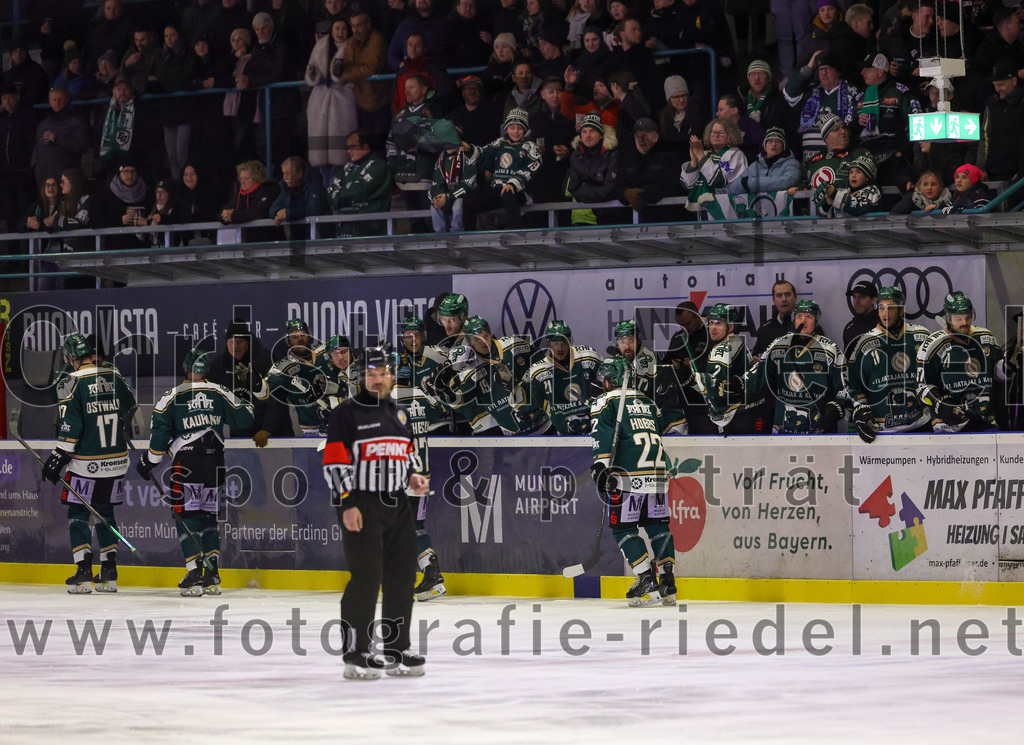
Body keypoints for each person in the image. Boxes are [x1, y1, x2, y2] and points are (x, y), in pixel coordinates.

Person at [322, 346, 429, 679]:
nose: (377, 379)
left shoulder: (399, 413)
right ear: (362, 377)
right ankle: (356, 652)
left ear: (392, 376)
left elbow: (406, 452)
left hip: (398, 504)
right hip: (362, 504)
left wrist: (413, 475)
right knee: (366, 579)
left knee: (402, 578)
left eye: (383, 373)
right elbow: (334, 461)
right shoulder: (346, 414)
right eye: (371, 374)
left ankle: (398, 648)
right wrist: (347, 502)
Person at [138, 349, 254, 596]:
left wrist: (148, 462)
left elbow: (158, 435)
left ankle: (195, 573)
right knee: (208, 517)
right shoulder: (219, 390)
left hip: (187, 462)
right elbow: (245, 417)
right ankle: (211, 575)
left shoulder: (172, 395)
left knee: (185, 515)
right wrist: (243, 394)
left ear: (185, 368)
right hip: (215, 462)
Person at [43, 333, 136, 593]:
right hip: (117, 461)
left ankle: (83, 572)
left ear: (70, 358)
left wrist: (57, 457)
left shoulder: (71, 381)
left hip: (86, 463)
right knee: (105, 512)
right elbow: (130, 403)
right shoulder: (114, 375)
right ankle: (109, 572)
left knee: (78, 512)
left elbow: (72, 425)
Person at [589, 356, 676, 607]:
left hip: (628, 479)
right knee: (658, 528)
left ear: (608, 380)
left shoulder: (604, 402)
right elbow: (654, 430)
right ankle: (667, 580)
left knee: (624, 529)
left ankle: (646, 578)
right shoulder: (648, 402)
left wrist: (600, 470)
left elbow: (602, 440)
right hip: (658, 475)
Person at [393, 317, 448, 601]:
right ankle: (431, 574)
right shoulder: (424, 399)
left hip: (402, 475)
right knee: (413, 526)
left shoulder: (388, 402)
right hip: (421, 474)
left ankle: (419, 575)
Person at [743, 300, 846, 434]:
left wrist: (834, 408)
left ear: (816, 321)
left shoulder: (829, 349)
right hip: (782, 428)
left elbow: (845, 387)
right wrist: (735, 385)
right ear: (794, 319)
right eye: (799, 316)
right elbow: (755, 378)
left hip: (817, 430)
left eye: (809, 317)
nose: (803, 321)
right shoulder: (778, 345)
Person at [845, 285, 932, 442]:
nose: (885, 313)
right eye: (881, 308)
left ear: (901, 310)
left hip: (922, 425)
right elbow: (851, 382)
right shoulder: (865, 342)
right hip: (882, 431)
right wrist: (860, 409)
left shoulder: (921, 336)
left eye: (890, 308)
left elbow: (935, 376)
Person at [433, 316, 548, 435]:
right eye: (477, 339)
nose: (483, 341)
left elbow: (543, 364)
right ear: (469, 342)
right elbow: (460, 404)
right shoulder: (470, 371)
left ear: (490, 333)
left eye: (485, 336)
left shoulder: (512, 345)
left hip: (544, 425)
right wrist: (447, 390)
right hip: (512, 438)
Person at [918, 292, 1000, 433]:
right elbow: (921, 386)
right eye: (958, 319)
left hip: (985, 421)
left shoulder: (985, 337)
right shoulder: (932, 345)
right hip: (948, 426)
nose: (964, 323)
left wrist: (1009, 366)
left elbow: (999, 374)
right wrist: (940, 404)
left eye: (967, 317)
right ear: (948, 319)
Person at [252, 318, 329, 444]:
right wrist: (255, 384)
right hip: (311, 435)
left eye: (303, 334)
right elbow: (264, 392)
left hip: (339, 427)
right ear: (288, 342)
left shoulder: (326, 352)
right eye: (294, 336)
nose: (300, 339)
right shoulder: (282, 368)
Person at [464, 108, 541, 230]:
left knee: (507, 193)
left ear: (525, 130)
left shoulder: (530, 147)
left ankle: (514, 229)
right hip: (497, 189)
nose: (515, 131)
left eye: (519, 128)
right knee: (470, 199)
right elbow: (483, 154)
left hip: (518, 191)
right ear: (506, 129)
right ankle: (468, 235)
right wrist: (469, 149)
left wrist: (513, 183)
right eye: (512, 127)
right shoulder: (499, 143)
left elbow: (532, 167)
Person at [521, 320, 602, 435]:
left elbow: (609, 382)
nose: (560, 348)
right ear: (548, 344)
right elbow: (524, 400)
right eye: (556, 344)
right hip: (563, 436)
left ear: (569, 341)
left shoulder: (589, 357)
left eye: (563, 343)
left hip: (595, 430)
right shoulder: (537, 371)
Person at [306, 18, 359, 185]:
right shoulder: (321, 45)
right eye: (337, 28)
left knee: (341, 152)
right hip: (319, 103)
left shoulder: (352, 47)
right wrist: (312, 75)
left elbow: (353, 75)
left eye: (344, 28)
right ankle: (326, 191)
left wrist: (339, 74)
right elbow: (311, 70)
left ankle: (339, 193)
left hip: (342, 101)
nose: (340, 32)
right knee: (320, 152)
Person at [784, 49, 861, 162]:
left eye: (828, 69)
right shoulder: (812, 92)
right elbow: (789, 92)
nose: (824, 73)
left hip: (837, 159)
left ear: (838, 72)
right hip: (809, 159)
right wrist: (808, 69)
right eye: (821, 70)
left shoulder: (852, 93)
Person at [700, 303, 763, 434]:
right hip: (747, 413)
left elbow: (715, 387)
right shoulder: (735, 342)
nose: (713, 328)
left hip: (733, 417)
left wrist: (694, 379)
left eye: (718, 323)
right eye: (711, 323)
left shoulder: (723, 350)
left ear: (731, 326)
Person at [207, 318, 274, 436]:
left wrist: (267, 429)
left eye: (239, 342)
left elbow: (276, 399)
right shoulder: (220, 363)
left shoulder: (265, 359)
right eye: (231, 342)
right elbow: (209, 397)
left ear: (248, 342)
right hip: (240, 430)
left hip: (273, 432)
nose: (235, 346)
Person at [339, 12, 392, 153]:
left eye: (359, 25)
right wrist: (352, 72)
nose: (355, 29)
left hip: (381, 100)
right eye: (353, 26)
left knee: (380, 145)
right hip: (362, 102)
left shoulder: (377, 39)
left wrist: (347, 74)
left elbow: (371, 68)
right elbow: (347, 65)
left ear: (368, 25)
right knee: (367, 144)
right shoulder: (351, 42)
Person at [616, 117, 685, 222]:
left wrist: (643, 194)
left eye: (645, 135)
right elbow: (618, 185)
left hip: (668, 218)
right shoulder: (627, 156)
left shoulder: (670, 153)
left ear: (655, 135)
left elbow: (672, 185)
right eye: (637, 135)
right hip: (634, 221)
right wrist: (626, 194)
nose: (641, 140)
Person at [328, 132, 393, 237]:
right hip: (346, 230)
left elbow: (361, 190)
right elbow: (331, 192)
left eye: (352, 147)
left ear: (365, 146)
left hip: (372, 232)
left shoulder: (379, 166)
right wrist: (343, 197)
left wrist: (342, 195)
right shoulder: (346, 169)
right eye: (347, 148)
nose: (349, 151)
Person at [680, 119, 748, 213]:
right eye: (714, 132)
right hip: (704, 209)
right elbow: (688, 185)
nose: (716, 135)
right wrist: (694, 161)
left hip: (729, 208)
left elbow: (718, 181)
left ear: (730, 136)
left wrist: (700, 156)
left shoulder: (735, 154)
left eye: (721, 133)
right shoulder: (706, 155)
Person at [565, 113, 619, 225]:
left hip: (609, 217)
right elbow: (573, 188)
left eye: (592, 131)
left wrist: (585, 187)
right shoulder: (576, 155)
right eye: (584, 131)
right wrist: (596, 186)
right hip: (581, 218)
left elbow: (609, 190)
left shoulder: (612, 154)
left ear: (601, 135)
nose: (588, 135)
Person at [34, 87, 91, 192]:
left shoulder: (76, 122)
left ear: (67, 100)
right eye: (54, 99)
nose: (57, 103)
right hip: (44, 178)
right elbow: (37, 148)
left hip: (65, 178)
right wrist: (35, 167)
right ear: (49, 101)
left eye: (60, 99)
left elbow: (81, 145)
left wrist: (57, 139)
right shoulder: (43, 124)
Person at [976, 61, 1024, 184]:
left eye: (1001, 85)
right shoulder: (992, 103)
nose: (997, 89)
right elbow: (985, 135)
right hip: (992, 171)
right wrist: (980, 167)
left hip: (1017, 173)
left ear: (1013, 81)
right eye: (995, 85)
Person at [0, 83, 35, 233]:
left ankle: (27, 254)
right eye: (4, 98)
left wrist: (29, 168)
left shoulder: (27, 115)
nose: (8, 102)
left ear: (17, 97)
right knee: (10, 215)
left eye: (11, 98)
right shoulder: (2, 118)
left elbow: (32, 143)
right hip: (5, 174)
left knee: (24, 213)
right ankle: (13, 253)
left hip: (23, 174)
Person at [728, 128, 802, 195]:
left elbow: (788, 181)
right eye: (770, 141)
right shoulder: (755, 165)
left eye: (778, 141)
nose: (773, 144)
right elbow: (733, 188)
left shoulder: (792, 163)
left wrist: (750, 183)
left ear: (784, 145)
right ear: (765, 145)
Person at [221, 160, 281, 242]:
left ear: (257, 178)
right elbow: (228, 209)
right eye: (241, 178)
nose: (242, 182)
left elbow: (259, 212)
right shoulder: (239, 194)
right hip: (246, 243)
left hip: (268, 241)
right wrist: (224, 215)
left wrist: (233, 216)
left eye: (246, 178)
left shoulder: (268, 190)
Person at [429, 141, 480, 233]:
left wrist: (448, 197)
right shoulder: (441, 157)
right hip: (448, 195)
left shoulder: (468, 155)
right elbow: (436, 183)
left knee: (458, 205)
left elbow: (467, 185)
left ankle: (457, 234)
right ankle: (440, 235)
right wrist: (440, 197)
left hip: (465, 196)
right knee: (434, 204)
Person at [270, 156, 330, 229]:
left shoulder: (315, 186)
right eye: (283, 173)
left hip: (318, 235)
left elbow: (314, 209)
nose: (284, 178)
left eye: (288, 173)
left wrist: (288, 214)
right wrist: (279, 213)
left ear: (300, 173)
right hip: (298, 237)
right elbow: (272, 209)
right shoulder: (286, 188)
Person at [752, 279, 798, 357]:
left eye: (787, 294)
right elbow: (756, 356)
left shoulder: (807, 326)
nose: (784, 299)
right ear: (774, 300)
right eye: (779, 295)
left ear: (795, 298)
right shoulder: (764, 330)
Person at [842, 280, 879, 356]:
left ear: (873, 300)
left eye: (862, 297)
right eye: (854, 297)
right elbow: (847, 362)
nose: (856, 301)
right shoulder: (849, 328)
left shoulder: (883, 325)